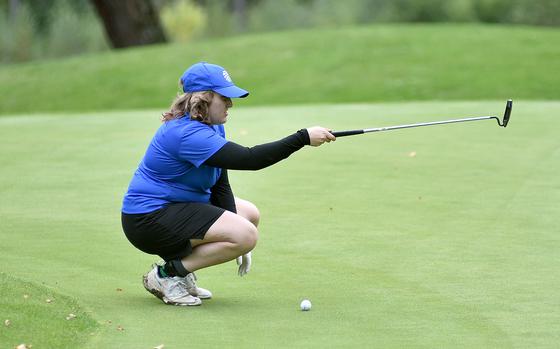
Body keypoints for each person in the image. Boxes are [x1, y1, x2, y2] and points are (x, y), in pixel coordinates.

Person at [121, 62, 335, 306]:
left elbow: (219, 181)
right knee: (245, 233)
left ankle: (181, 272)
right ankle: (168, 276)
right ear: (203, 100)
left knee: (248, 215)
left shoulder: (213, 128)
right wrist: (302, 138)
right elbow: (250, 159)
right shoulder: (186, 134)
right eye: (224, 98)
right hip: (148, 219)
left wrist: (236, 228)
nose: (231, 104)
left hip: (177, 207)